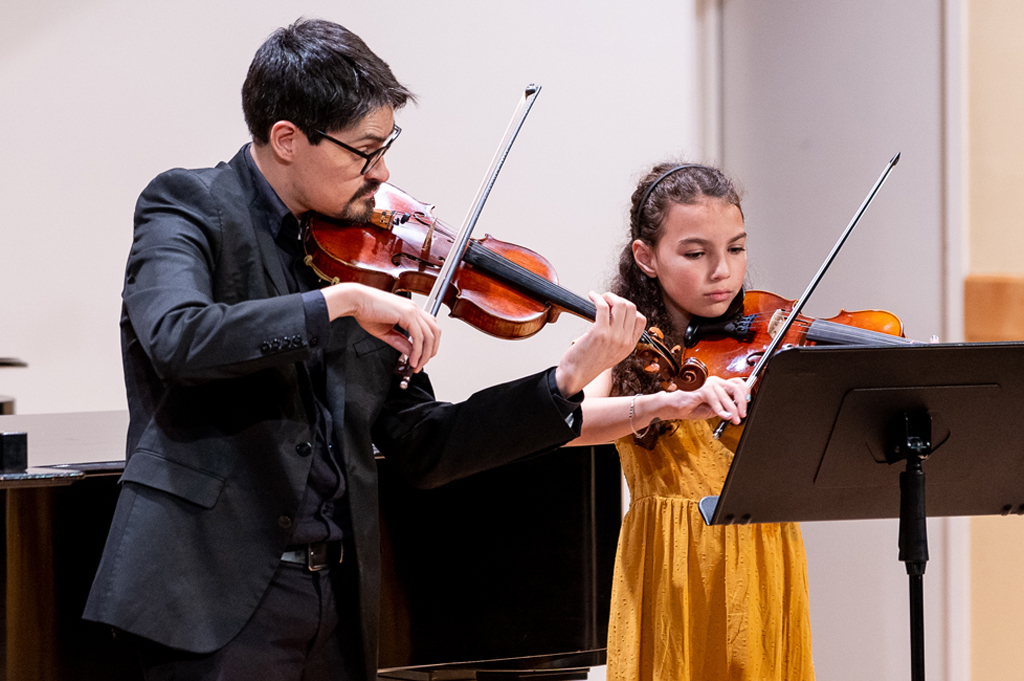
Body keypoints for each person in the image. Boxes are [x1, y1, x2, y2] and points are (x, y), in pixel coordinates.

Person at [83, 18, 645, 681]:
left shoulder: (368, 255)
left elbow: (425, 444)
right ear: (287, 139)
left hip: (337, 607)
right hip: (211, 604)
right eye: (364, 151)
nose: (381, 172)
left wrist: (564, 380)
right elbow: (180, 337)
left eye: (386, 146)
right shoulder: (188, 206)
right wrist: (340, 303)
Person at [571, 163, 815, 680]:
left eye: (736, 248)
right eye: (696, 253)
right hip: (670, 564)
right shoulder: (624, 345)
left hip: (762, 551)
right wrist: (664, 403)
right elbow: (570, 423)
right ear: (646, 257)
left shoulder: (765, 344)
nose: (722, 271)